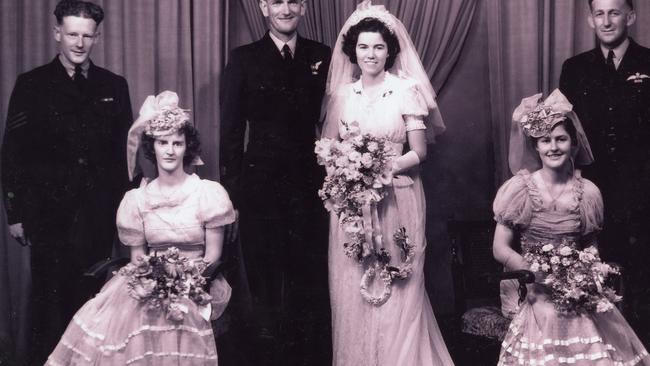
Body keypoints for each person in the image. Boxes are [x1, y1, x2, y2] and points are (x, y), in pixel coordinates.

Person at [45, 91, 236, 365]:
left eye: (177, 143)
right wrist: (149, 280)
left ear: (187, 148)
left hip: (196, 280)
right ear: (152, 146)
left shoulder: (207, 193)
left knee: (177, 314)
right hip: (150, 277)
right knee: (115, 319)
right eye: (162, 142)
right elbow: (138, 257)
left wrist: (183, 283)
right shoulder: (137, 199)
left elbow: (212, 256)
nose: (169, 150)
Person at [321, 2, 453, 365]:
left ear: (389, 50)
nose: (371, 54)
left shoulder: (406, 90)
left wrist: (380, 170)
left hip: (398, 196)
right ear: (353, 51)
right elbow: (327, 149)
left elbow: (420, 151)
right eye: (363, 46)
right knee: (354, 281)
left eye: (378, 46)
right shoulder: (341, 96)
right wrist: (349, 175)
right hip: (352, 204)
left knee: (398, 276)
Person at [0, 0, 132, 363]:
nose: (79, 43)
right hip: (48, 214)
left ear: (98, 38)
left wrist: (125, 211)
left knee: (93, 301)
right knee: (49, 301)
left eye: (87, 36)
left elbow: (126, 155)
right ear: (57, 33)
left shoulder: (114, 86)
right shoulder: (31, 84)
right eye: (72, 33)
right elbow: (13, 153)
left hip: (98, 214)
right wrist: (15, 213)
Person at [492, 89, 649, 365]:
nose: (553, 147)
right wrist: (532, 269)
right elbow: (499, 248)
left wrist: (588, 270)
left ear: (573, 144)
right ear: (535, 146)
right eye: (545, 140)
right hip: (538, 290)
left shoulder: (587, 192)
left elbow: (590, 245)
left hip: (577, 290)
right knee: (548, 324)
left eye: (561, 139)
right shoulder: (519, 189)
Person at [219, 0, 332, 364]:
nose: (286, 9)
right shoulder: (243, 58)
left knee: (308, 280)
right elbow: (232, 132)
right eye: (277, 1)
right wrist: (232, 197)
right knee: (265, 283)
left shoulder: (321, 55)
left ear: (304, 7)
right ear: (264, 7)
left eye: (294, 1)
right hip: (259, 188)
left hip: (309, 186)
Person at [559, 0, 650, 338]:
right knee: (598, 273)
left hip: (644, 189)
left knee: (643, 272)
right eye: (600, 13)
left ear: (631, 16)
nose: (607, 21)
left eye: (615, 12)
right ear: (589, 19)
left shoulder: (648, 61)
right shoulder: (575, 68)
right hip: (594, 190)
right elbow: (565, 131)